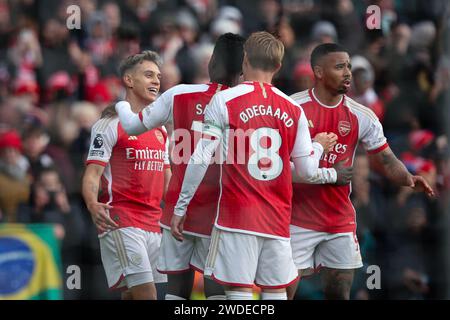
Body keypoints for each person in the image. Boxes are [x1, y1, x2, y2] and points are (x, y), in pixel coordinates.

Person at [171, 31, 337, 300]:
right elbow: (307, 171)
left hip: (236, 219)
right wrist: (319, 146)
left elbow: (201, 157)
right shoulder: (294, 109)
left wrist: (181, 206)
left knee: (238, 294)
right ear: (278, 66)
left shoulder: (224, 101)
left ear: (245, 59)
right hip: (277, 220)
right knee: (275, 294)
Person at [287, 43, 435, 300]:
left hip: (339, 220)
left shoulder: (361, 115)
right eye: (339, 67)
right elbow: (279, 163)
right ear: (319, 72)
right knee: (284, 292)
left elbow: (387, 159)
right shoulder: (293, 108)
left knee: (340, 290)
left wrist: (408, 178)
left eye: (349, 67)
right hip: (297, 218)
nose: (347, 73)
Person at [115, 33, 246, 300]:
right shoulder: (246, 104)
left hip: (178, 209)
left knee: (176, 294)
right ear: (243, 70)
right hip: (222, 213)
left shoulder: (179, 94)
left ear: (211, 64)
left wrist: (119, 104)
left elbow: (130, 125)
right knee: (217, 292)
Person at [82, 51, 171, 300]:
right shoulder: (109, 124)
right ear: (129, 80)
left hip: (154, 222)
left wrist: (181, 209)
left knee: (133, 294)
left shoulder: (160, 128)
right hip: (121, 219)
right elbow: (93, 173)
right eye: (148, 75)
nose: (156, 81)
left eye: (158, 77)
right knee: (147, 294)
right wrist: (91, 203)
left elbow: (166, 177)